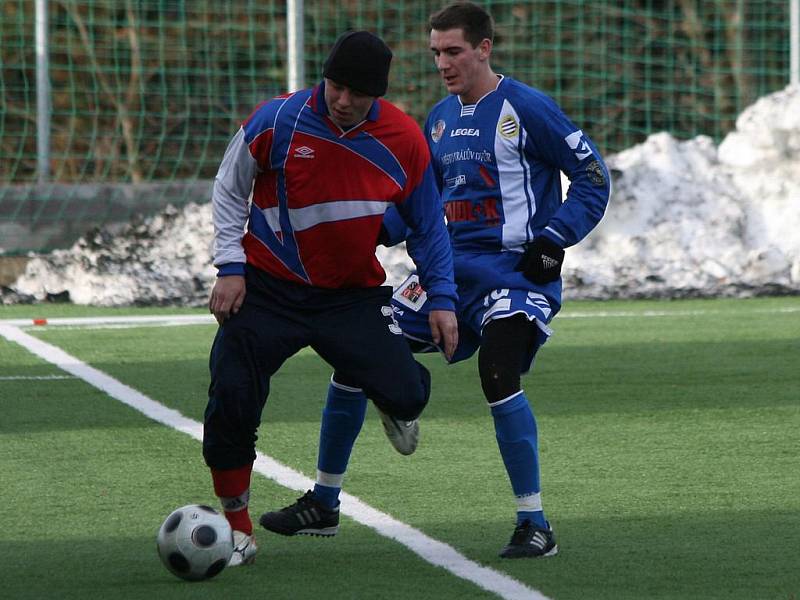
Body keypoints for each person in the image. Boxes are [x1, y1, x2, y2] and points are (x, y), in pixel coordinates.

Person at [282, 2, 611, 559]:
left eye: (454, 51)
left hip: (515, 272)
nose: (443, 62)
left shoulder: (527, 108)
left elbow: (592, 176)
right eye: (436, 52)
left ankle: (535, 524)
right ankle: (324, 502)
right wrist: (362, 232)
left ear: (484, 48)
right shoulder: (435, 119)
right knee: (355, 357)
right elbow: (419, 204)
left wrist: (554, 239)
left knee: (498, 369)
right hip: (446, 271)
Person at [203, 30, 458, 567]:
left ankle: (394, 400)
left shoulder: (405, 140)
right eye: (335, 86)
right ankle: (238, 529)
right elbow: (229, 188)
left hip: (350, 298)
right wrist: (230, 266)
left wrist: (442, 297)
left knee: (408, 393)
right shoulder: (276, 120)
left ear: (378, 95)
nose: (342, 100)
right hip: (268, 291)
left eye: (356, 93)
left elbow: (428, 223)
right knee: (231, 397)